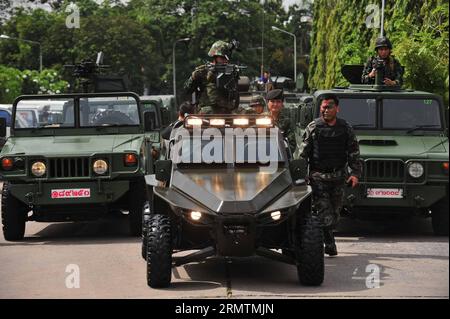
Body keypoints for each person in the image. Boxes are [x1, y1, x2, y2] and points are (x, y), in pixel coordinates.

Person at [299, 93, 362, 256]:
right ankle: (329, 243)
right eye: (323, 107)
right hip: (318, 177)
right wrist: (302, 175)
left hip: (339, 177)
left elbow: (353, 152)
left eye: (329, 107)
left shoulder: (345, 128)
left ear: (337, 109)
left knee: (334, 213)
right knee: (324, 211)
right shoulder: (313, 127)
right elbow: (302, 154)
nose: (325, 110)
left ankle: (327, 236)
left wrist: (355, 173)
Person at [184, 40, 239, 114]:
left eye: (226, 58)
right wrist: (193, 78)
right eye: (222, 58)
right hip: (206, 112)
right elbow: (187, 90)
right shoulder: (203, 71)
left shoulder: (232, 71)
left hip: (227, 111)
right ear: (215, 58)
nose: (225, 61)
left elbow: (235, 94)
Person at [266, 89, 296, 154]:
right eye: (272, 101)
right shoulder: (260, 119)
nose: (275, 104)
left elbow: (292, 145)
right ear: (268, 103)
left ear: (282, 104)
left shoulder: (287, 122)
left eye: (278, 101)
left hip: (280, 158)